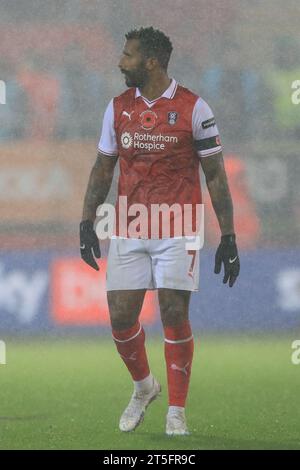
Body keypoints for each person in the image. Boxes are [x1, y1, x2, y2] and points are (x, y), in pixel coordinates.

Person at [80, 27, 240, 436]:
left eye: (128, 55)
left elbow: (216, 176)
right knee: (120, 317)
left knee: (173, 312)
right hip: (130, 225)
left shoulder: (194, 108)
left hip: (179, 225)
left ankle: (177, 411)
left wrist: (229, 235)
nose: (121, 62)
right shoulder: (116, 108)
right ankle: (144, 387)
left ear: (151, 61)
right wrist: (86, 221)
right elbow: (103, 168)